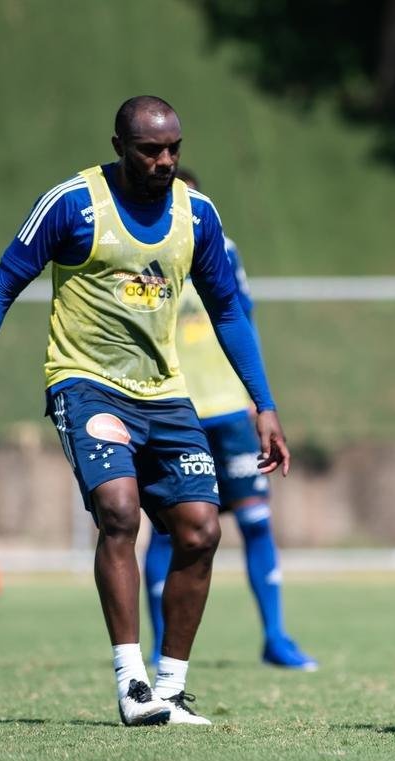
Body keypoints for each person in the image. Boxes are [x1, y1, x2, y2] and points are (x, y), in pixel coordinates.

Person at [0, 96, 289, 727]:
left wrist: (264, 404)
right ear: (120, 146)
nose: (165, 160)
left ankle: (171, 689)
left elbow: (229, 311)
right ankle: (133, 683)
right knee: (120, 512)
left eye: (173, 148)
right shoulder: (72, 204)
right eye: (151, 150)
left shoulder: (197, 214)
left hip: (165, 393)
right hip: (85, 384)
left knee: (202, 531)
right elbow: (2, 286)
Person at [143, 169, 316, 671]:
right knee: (167, 530)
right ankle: (159, 644)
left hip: (230, 412)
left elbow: (243, 318)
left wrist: (257, 398)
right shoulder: (142, 255)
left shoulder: (224, 250)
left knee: (256, 522)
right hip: (173, 410)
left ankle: (275, 638)